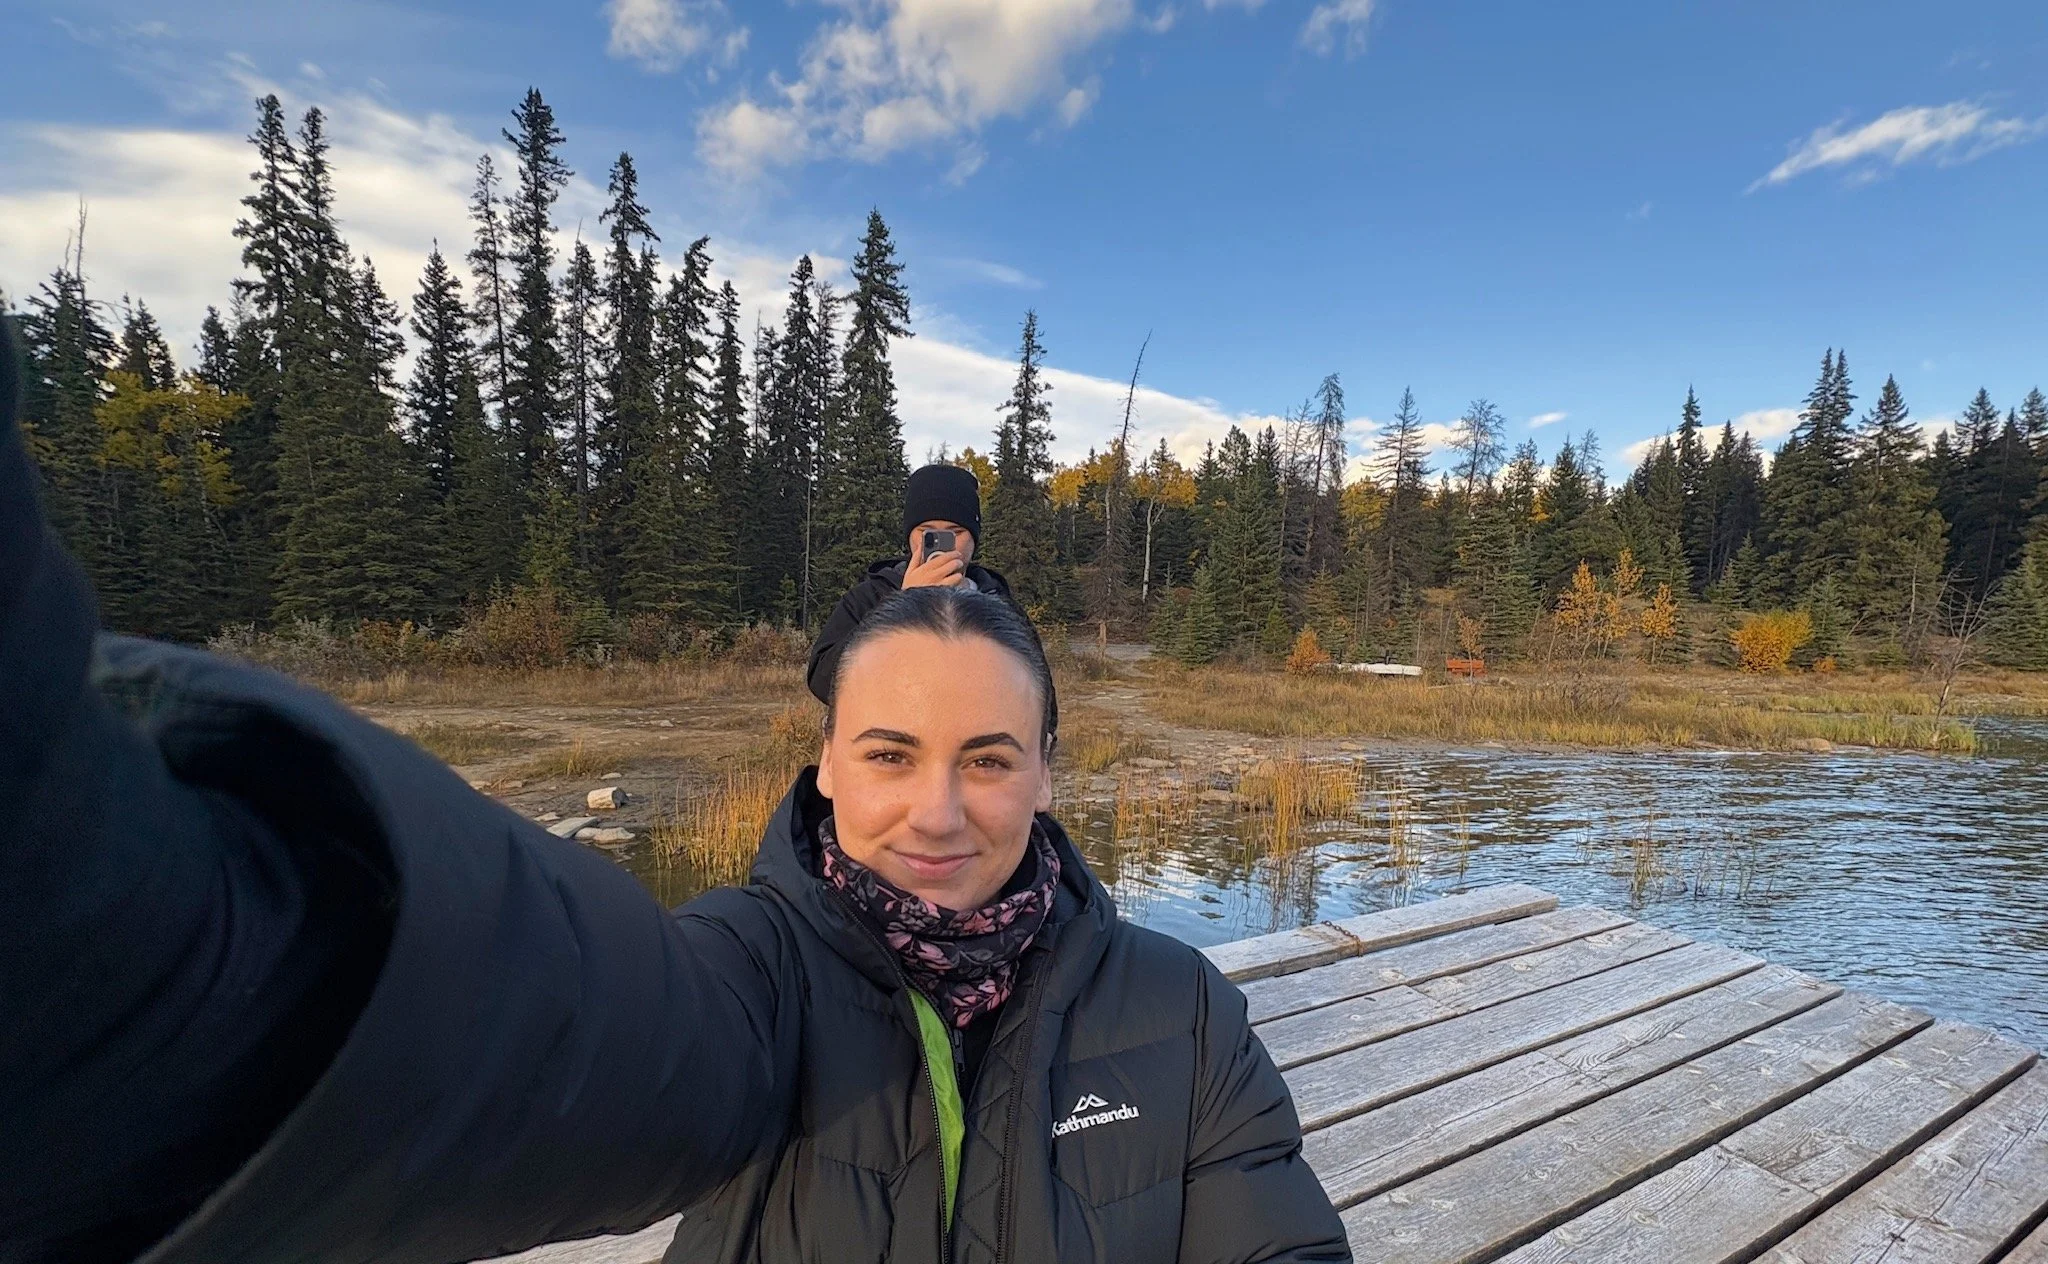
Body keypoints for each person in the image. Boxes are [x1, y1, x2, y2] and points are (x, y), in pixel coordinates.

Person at [0, 318, 1348, 1264]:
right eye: (887, 752)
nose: (937, 812)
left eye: (988, 759)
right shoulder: (753, 978)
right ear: (822, 760)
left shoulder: (1184, 1017)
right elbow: (553, 1045)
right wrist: (173, 941)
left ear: (1048, 773)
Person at [807, 462, 1036, 709]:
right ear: (910, 536)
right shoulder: (870, 598)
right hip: (896, 737)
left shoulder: (998, 601)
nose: (941, 545)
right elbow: (823, 681)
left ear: (974, 537)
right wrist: (901, 606)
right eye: (927, 533)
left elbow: (1038, 687)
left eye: (955, 532)